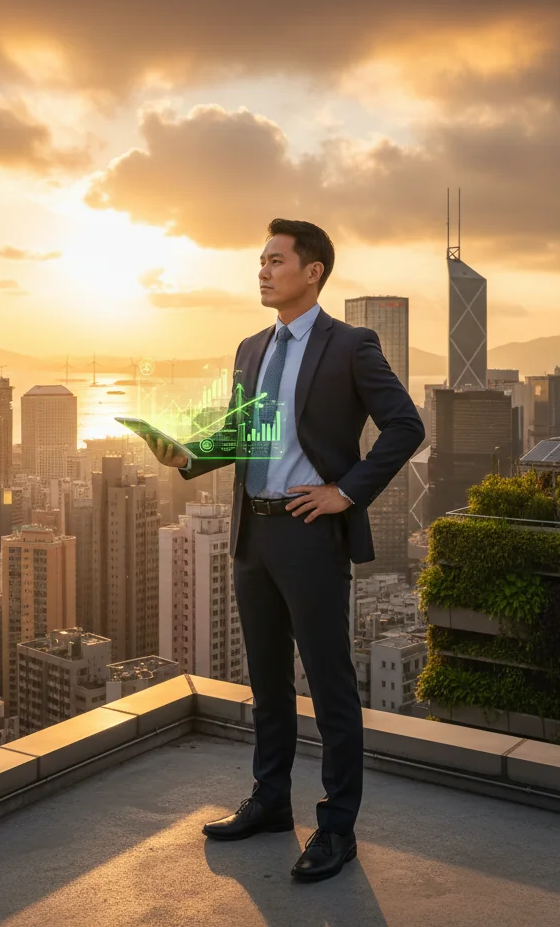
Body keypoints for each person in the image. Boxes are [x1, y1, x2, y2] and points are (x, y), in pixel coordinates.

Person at [144, 217, 424, 883]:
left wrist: (344, 493)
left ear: (313, 271)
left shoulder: (350, 345)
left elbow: (405, 426)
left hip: (309, 533)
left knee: (329, 685)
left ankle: (337, 827)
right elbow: (247, 435)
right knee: (267, 680)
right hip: (253, 534)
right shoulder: (251, 348)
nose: (263, 271)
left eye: (275, 260)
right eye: (261, 261)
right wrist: (186, 456)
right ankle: (271, 802)